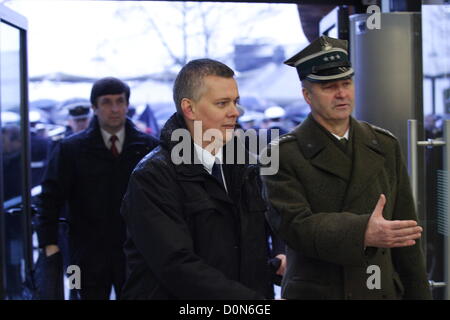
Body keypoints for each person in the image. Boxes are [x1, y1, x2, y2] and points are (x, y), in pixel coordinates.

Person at [263, 36, 431, 300]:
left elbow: (406, 236)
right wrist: (363, 231)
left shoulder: (384, 144)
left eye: (346, 83)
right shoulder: (282, 154)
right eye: (329, 87)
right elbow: (293, 226)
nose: (341, 93)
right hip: (318, 291)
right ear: (307, 95)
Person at [120, 58, 280, 299]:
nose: (235, 112)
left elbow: (246, 244)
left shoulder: (245, 164)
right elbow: (177, 266)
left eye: (236, 102)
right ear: (189, 108)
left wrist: (276, 262)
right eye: (222, 103)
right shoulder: (152, 176)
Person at [35, 77, 159, 300]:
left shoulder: (148, 147)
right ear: (95, 107)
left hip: (135, 252)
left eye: (120, 102)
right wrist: (49, 243)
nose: (114, 109)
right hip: (86, 253)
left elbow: (161, 199)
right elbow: (49, 198)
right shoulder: (70, 150)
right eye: (106, 102)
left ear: (127, 105)